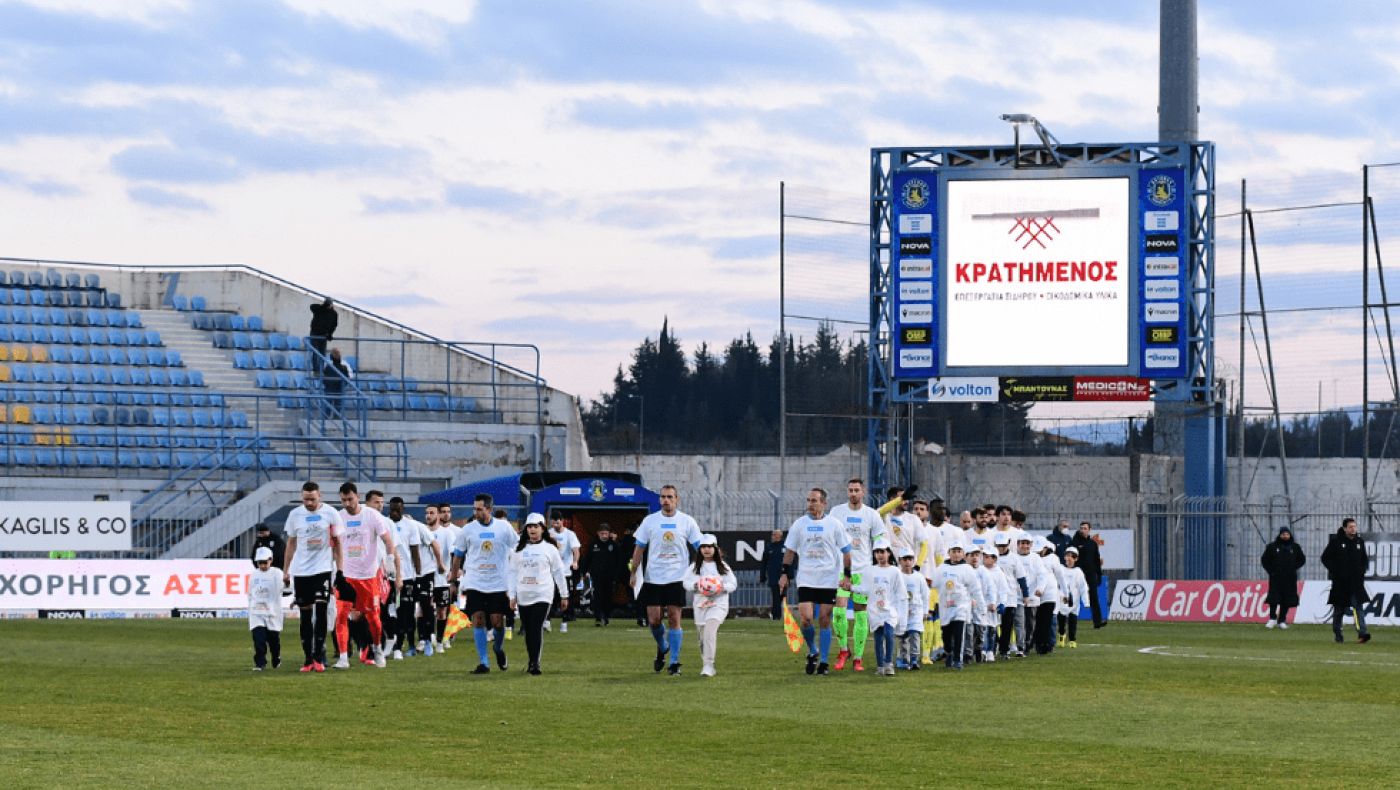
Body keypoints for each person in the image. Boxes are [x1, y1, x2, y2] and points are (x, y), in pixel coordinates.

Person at [629, 484, 704, 675]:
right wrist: (633, 572)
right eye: (663, 497)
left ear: (677, 500)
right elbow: (639, 547)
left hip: (677, 577)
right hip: (653, 578)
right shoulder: (649, 521)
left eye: (670, 497)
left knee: (674, 618)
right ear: (659, 500)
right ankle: (663, 647)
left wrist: (706, 569)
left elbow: (700, 546)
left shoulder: (687, 521)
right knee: (654, 620)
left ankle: (674, 663)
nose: (666, 500)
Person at [779, 488, 853, 676]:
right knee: (806, 619)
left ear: (824, 504)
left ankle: (824, 663)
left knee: (825, 620)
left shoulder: (834, 524)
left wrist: (847, 575)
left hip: (828, 579)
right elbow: (790, 552)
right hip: (806, 578)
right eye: (808, 500)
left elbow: (846, 551)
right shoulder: (799, 524)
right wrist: (784, 574)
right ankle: (813, 650)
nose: (810, 504)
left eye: (814, 501)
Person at [827, 478, 890, 672]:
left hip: (863, 570)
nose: (853, 493)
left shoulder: (872, 515)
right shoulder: (837, 512)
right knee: (838, 611)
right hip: (841, 570)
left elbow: (880, 539)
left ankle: (858, 657)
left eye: (857, 490)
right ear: (847, 492)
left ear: (863, 491)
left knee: (861, 612)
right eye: (850, 490)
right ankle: (844, 650)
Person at [451, 493, 519, 673]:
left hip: (498, 582)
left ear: (490, 509)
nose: (476, 512)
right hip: (475, 581)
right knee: (478, 619)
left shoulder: (504, 527)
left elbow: (518, 547)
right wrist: (453, 579)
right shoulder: (467, 529)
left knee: (497, 621)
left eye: (479, 509)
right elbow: (458, 555)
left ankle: (498, 649)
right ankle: (484, 663)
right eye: (474, 509)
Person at [332, 481, 396, 669]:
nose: (347, 504)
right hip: (347, 576)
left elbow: (388, 541)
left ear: (357, 497)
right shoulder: (339, 517)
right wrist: (338, 572)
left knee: (373, 617)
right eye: (343, 500)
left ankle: (377, 649)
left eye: (350, 499)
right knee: (342, 615)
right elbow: (336, 546)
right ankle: (343, 658)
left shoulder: (372, 516)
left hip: (368, 576)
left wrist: (391, 559)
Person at [282, 481, 345, 672]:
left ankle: (319, 656)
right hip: (301, 570)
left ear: (320, 496)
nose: (308, 503)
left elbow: (337, 543)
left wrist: (339, 571)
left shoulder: (331, 513)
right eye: (305, 499)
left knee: (322, 609)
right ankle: (308, 659)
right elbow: (291, 543)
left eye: (312, 498)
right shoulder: (295, 515)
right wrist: (286, 570)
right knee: (305, 615)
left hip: (323, 568)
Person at [508, 513, 570, 675]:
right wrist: (512, 595)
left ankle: (535, 664)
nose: (533, 530)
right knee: (528, 629)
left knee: (536, 626)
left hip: (543, 594)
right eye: (530, 527)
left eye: (536, 526)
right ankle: (531, 660)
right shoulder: (518, 549)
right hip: (523, 594)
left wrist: (564, 595)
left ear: (543, 529)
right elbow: (512, 573)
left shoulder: (550, 549)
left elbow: (558, 573)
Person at [683, 534, 739, 677]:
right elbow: (685, 582)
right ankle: (706, 664)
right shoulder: (695, 567)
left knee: (710, 631)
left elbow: (733, 584)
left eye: (709, 547)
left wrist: (721, 587)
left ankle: (708, 665)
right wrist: (695, 585)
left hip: (718, 605)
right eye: (703, 547)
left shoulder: (723, 567)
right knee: (702, 638)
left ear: (715, 548)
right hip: (701, 606)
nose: (706, 550)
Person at [1321, 518, 1372, 644]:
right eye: (1350, 527)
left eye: (1355, 526)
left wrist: (1362, 571)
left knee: (1358, 607)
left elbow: (1364, 560)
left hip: (1356, 583)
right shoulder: (1336, 542)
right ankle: (1338, 633)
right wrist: (1336, 571)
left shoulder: (1359, 542)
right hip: (1340, 583)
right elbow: (1325, 558)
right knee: (1339, 610)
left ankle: (1362, 633)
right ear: (1344, 528)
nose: (1353, 529)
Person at [862, 539, 906, 677]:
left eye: (882, 552)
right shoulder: (870, 570)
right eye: (877, 552)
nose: (880, 555)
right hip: (875, 610)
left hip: (889, 610)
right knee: (878, 637)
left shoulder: (895, 571)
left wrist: (901, 611)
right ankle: (880, 665)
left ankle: (889, 664)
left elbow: (901, 592)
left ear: (888, 553)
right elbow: (864, 589)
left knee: (889, 633)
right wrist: (850, 587)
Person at [385, 496, 422, 658]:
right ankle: (389, 642)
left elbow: (415, 551)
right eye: (392, 509)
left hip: (406, 575)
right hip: (387, 576)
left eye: (397, 509)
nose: (394, 512)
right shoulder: (384, 524)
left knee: (405, 612)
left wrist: (418, 573)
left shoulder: (410, 526)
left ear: (403, 509)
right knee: (387, 611)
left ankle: (402, 646)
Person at [933, 542, 973, 669]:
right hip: (945, 606)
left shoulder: (967, 569)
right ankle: (949, 653)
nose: (956, 554)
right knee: (946, 633)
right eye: (953, 551)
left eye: (959, 551)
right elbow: (935, 584)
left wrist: (979, 604)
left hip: (960, 606)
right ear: (949, 552)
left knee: (958, 632)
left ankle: (957, 659)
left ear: (963, 554)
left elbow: (974, 587)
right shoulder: (941, 568)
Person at [579, 523, 625, 626]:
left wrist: (617, 576)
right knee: (597, 597)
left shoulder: (614, 545)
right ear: (598, 533)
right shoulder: (593, 545)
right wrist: (584, 572)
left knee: (608, 598)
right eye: (602, 533)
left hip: (610, 577)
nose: (604, 536)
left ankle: (607, 617)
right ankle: (598, 618)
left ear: (609, 534)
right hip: (597, 577)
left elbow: (620, 561)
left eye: (606, 533)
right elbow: (587, 559)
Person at [430, 503, 462, 649]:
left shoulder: (455, 531)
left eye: (448, 512)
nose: (446, 515)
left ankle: (448, 634)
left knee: (450, 604)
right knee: (427, 608)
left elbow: (459, 551)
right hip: (429, 575)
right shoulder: (425, 530)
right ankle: (428, 638)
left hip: (446, 575)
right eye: (443, 512)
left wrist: (457, 570)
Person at [1260, 527, 1306, 629]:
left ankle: (1282, 621)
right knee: (1274, 598)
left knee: (1287, 599)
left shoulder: (1295, 547)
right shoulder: (1272, 547)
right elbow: (1264, 560)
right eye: (1283, 534)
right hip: (1276, 578)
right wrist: (1271, 571)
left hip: (1290, 578)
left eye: (1287, 534)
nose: (1285, 536)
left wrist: (1294, 566)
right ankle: (1272, 618)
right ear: (1280, 535)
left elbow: (1302, 559)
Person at [249, 546, 285, 671]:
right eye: (260, 563)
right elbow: (250, 593)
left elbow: (284, 589)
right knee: (259, 639)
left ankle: (276, 656)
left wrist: (288, 583)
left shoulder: (277, 573)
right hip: (257, 612)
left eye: (265, 562)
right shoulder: (254, 575)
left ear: (271, 560)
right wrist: (251, 608)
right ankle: (260, 663)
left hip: (272, 613)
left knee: (273, 641)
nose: (263, 565)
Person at [896, 547, 929, 671]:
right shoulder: (897, 576)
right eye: (905, 559)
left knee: (915, 635)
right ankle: (903, 659)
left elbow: (925, 595)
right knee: (902, 637)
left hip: (915, 612)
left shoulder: (919, 577)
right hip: (902, 611)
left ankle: (914, 659)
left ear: (913, 561)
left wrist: (925, 611)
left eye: (910, 559)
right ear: (900, 561)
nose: (907, 562)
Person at [1069, 522, 1106, 628]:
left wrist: (1098, 575)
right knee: (1073, 598)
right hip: (1077, 575)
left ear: (1089, 530)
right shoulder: (1074, 543)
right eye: (1081, 528)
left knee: (1094, 598)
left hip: (1090, 575)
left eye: (1085, 528)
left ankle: (1097, 621)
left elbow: (1096, 561)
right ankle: (1068, 620)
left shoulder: (1093, 544)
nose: (1083, 530)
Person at [549, 515, 581, 633]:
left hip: (565, 572)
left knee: (565, 597)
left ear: (562, 521)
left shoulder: (570, 534)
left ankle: (564, 621)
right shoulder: (549, 533)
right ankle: (547, 621)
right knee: (550, 596)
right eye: (553, 523)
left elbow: (576, 550)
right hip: (551, 572)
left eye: (557, 523)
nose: (555, 526)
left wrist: (575, 562)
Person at [1058, 546, 1090, 648]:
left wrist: (1086, 602)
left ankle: (1072, 640)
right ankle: (1061, 635)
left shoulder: (1078, 572)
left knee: (1073, 621)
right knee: (1061, 621)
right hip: (1061, 600)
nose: (1070, 558)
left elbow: (1083, 587)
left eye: (1073, 556)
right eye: (1068, 556)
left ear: (1076, 559)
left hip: (1074, 601)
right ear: (1064, 557)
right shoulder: (1060, 569)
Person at [759, 529, 788, 620]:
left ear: (781, 536)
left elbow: (790, 562)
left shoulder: (785, 547)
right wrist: (762, 575)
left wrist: (789, 576)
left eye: (776, 535)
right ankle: (776, 616)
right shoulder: (768, 547)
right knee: (775, 596)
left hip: (783, 576)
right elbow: (764, 562)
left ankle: (779, 614)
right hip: (773, 576)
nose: (774, 537)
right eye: (773, 535)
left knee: (781, 596)